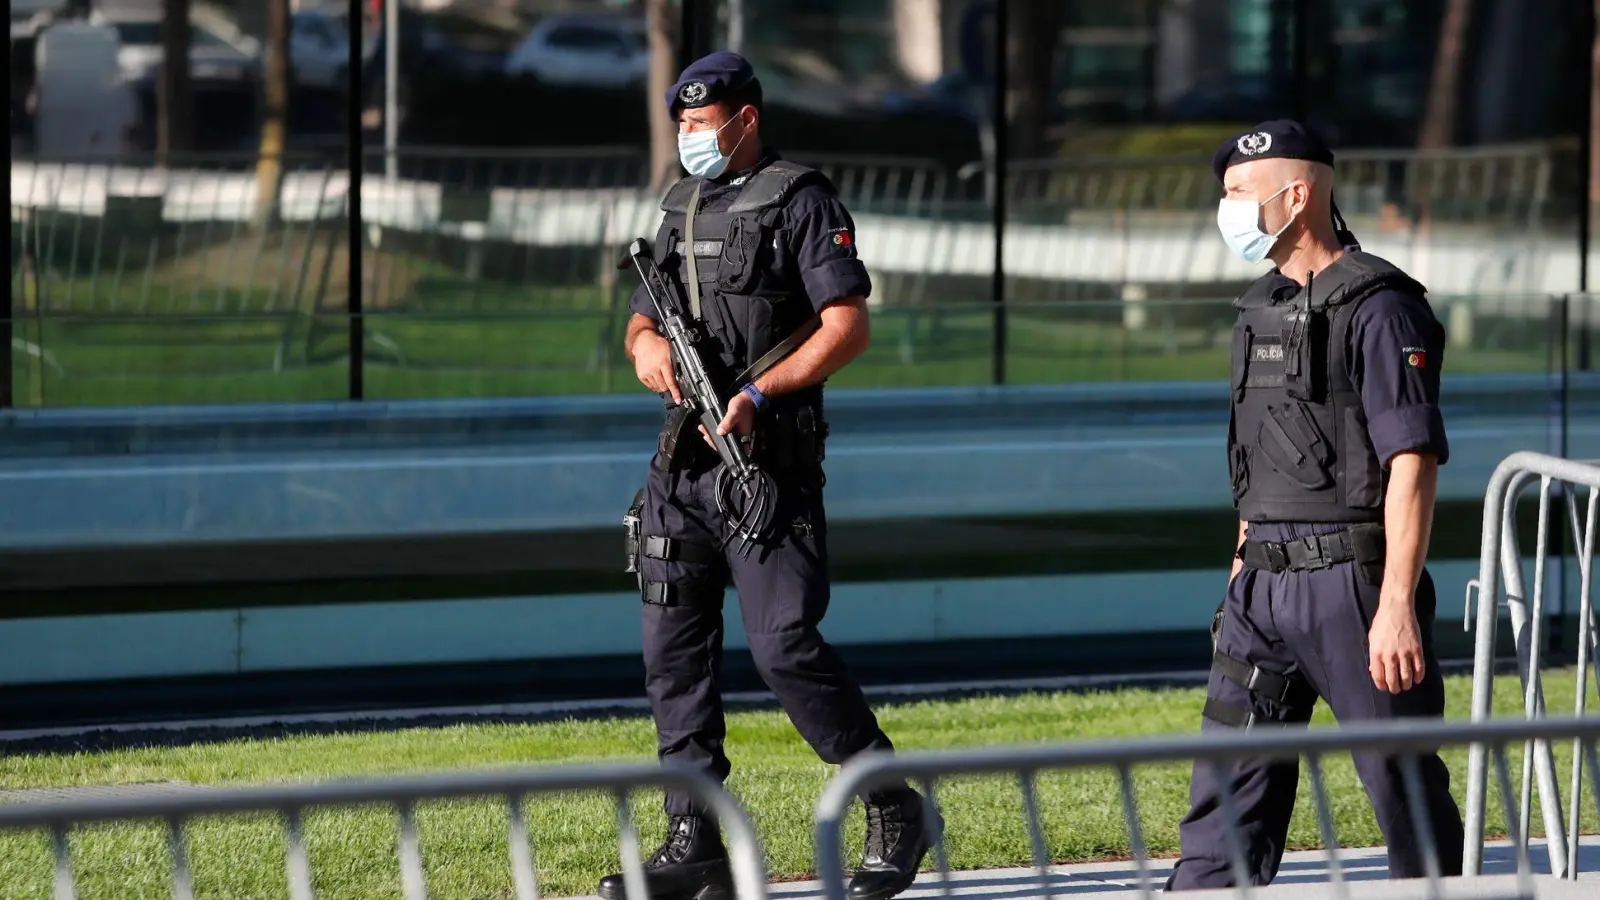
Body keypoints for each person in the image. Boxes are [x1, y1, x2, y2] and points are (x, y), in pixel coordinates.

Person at [599, 51, 932, 900]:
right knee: (671, 651)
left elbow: (847, 327)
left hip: (766, 468)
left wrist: (758, 392)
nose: (690, 140)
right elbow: (643, 318)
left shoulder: (801, 200)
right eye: (682, 126)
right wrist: (645, 353)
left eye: (702, 126)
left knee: (785, 645)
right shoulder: (681, 205)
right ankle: (695, 835)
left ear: (746, 121)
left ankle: (891, 802)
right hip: (682, 466)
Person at [1165, 119, 1465, 890]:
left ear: (1295, 196)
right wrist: (1238, 580)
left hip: (1353, 588)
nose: (1226, 209)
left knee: (1404, 797)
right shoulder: (1257, 308)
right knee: (1223, 804)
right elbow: (1255, 461)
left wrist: (1396, 602)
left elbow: (1413, 460)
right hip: (1261, 586)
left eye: (1238, 194)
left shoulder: (1381, 307)